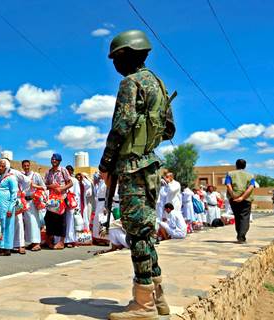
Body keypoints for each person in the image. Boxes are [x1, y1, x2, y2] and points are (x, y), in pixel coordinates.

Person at [99, 30, 175, 319]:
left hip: (131, 166)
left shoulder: (131, 83)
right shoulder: (158, 83)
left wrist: (106, 163)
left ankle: (142, 305)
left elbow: (121, 126)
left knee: (138, 233)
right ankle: (158, 297)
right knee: (145, 232)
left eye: (116, 58)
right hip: (150, 165)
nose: (115, 65)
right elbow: (169, 128)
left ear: (126, 55)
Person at [44, 154, 73, 250]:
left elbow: (70, 183)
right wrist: (50, 186)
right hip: (52, 199)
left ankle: (61, 242)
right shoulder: (48, 172)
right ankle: (49, 240)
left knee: (61, 220)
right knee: (49, 219)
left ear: (59, 161)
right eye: (52, 159)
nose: (53, 160)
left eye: (55, 159)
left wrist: (62, 188)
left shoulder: (63, 170)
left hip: (61, 198)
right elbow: (45, 185)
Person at [225, 159, 256, 243]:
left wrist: (233, 196)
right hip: (246, 199)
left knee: (237, 216)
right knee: (244, 217)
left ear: (236, 165)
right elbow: (251, 187)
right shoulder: (251, 176)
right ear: (245, 166)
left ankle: (240, 234)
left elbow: (228, 185)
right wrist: (242, 197)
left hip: (233, 199)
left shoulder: (230, 174)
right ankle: (241, 236)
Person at [0, 159, 18, 256]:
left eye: (3, 166)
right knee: (0, 224)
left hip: (7, 205)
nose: (0, 168)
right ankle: (0, 246)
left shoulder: (11, 178)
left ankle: (7, 248)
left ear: (7, 167)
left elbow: (14, 193)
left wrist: (10, 208)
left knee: (7, 225)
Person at [21, 160, 46, 251]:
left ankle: (37, 243)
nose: (26, 167)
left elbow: (44, 187)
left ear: (30, 166)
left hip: (33, 201)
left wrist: (34, 185)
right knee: (28, 223)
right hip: (25, 201)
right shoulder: (22, 176)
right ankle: (32, 242)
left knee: (34, 222)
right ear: (22, 166)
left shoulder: (36, 175)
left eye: (28, 165)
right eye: (24, 166)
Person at [64, 166, 78, 248]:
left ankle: (69, 240)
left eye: (69, 171)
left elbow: (77, 192)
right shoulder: (63, 179)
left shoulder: (74, 180)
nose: (68, 172)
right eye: (67, 170)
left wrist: (75, 203)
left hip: (71, 202)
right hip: (63, 201)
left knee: (70, 222)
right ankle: (62, 239)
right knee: (63, 222)